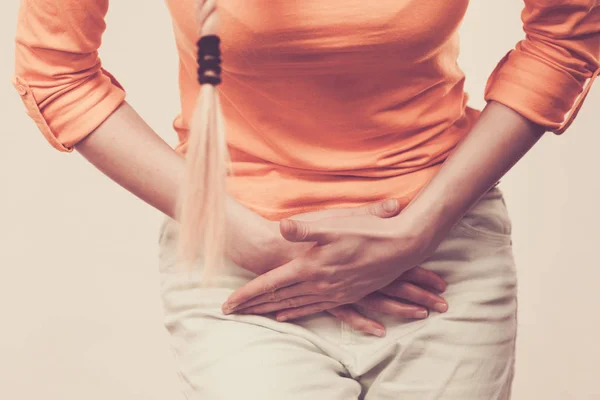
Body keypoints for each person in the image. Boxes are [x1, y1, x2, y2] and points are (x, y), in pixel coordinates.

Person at [12, 0, 600, 398]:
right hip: (240, 267)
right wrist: (248, 238)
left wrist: (421, 228)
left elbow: (565, 35)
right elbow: (54, 71)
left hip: (442, 264)